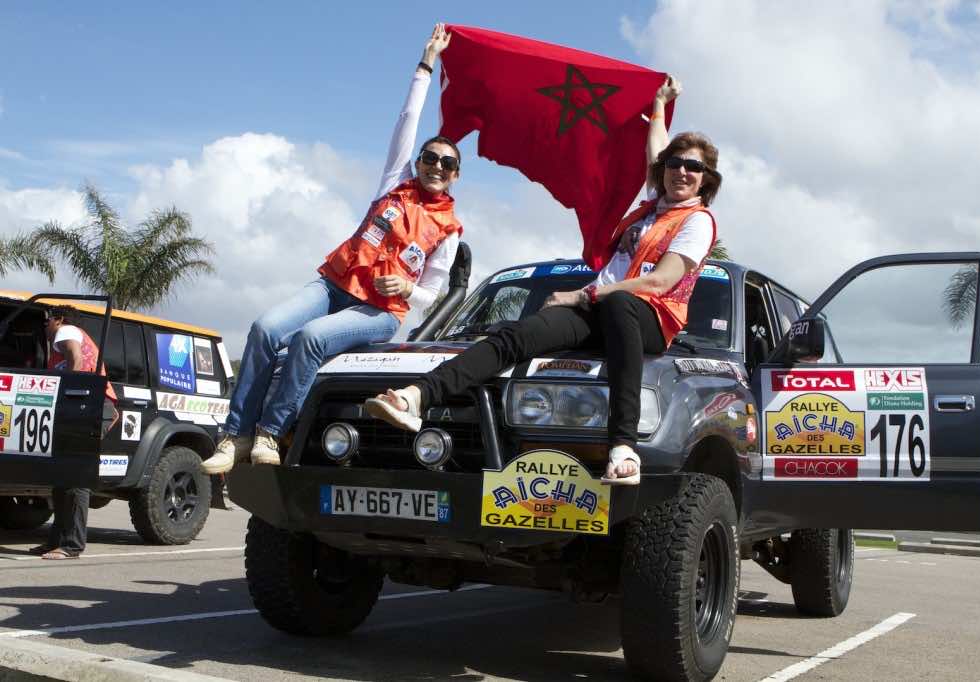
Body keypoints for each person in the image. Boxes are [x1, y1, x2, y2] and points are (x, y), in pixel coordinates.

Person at [365, 75, 721, 485]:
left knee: (623, 304)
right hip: (600, 309)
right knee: (515, 336)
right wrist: (659, 105)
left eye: (693, 167)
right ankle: (416, 396)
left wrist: (585, 294)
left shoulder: (697, 222)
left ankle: (623, 448)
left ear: (706, 179)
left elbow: (659, 283)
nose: (681, 172)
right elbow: (655, 151)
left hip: (651, 320)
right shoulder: (651, 205)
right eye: (675, 165)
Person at [203, 23, 463, 474]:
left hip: (380, 312)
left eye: (447, 163)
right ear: (418, 162)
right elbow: (406, 121)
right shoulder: (394, 183)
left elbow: (435, 293)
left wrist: (405, 286)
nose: (436, 166)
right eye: (430, 158)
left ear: (455, 175)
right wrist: (426, 63)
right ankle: (235, 437)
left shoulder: (450, 228)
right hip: (335, 284)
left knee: (309, 339)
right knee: (265, 329)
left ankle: (270, 434)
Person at [30, 305, 118, 560]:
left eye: (47, 320)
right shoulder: (61, 343)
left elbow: (77, 360)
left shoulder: (66, 331)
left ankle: (72, 545)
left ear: (59, 319)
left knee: (76, 477)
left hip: (85, 404)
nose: (45, 325)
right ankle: (56, 540)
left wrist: (71, 402)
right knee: (62, 478)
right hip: (89, 404)